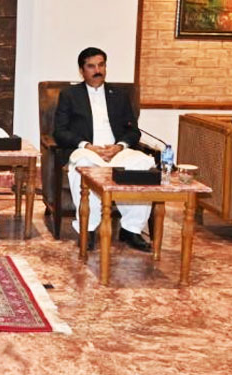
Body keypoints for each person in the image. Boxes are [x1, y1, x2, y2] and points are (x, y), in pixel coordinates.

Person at [53, 47, 154, 252]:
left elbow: (133, 131)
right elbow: (60, 131)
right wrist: (87, 145)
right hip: (87, 149)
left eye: (101, 65)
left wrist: (119, 146)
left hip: (117, 151)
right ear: (82, 70)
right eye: (91, 66)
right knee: (82, 164)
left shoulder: (120, 95)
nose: (97, 70)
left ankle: (131, 229)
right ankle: (88, 228)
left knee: (143, 163)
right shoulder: (70, 95)